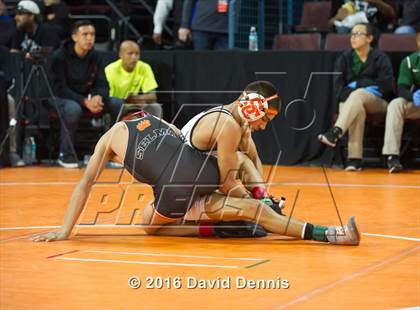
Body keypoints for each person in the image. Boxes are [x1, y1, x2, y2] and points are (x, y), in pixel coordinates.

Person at [31, 113, 360, 246]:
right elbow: (184, 141)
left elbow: (84, 186)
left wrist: (65, 231)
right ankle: (328, 232)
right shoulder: (154, 117)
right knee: (244, 176)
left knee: (148, 223)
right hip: (200, 169)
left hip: (173, 191)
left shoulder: (107, 141)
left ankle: (223, 222)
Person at [181, 80, 280, 199]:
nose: (263, 127)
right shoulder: (227, 125)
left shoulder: (239, 123)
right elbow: (226, 184)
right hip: (184, 193)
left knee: (244, 160)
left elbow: (254, 159)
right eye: (264, 119)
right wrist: (256, 204)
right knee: (255, 210)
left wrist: (263, 194)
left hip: (190, 176)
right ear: (252, 106)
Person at [318, 23, 394, 171]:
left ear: (370, 38)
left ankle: (336, 132)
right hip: (353, 101)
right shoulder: (345, 57)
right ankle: (354, 160)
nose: (353, 37)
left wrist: (357, 85)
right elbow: (338, 87)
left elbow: (385, 86)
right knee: (355, 104)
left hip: (378, 102)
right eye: (352, 34)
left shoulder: (380, 57)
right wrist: (364, 85)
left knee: (356, 95)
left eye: (358, 34)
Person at [50, 20, 122, 168]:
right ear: (75, 37)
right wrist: (84, 101)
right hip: (60, 98)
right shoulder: (59, 57)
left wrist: (98, 97)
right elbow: (59, 88)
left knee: (118, 104)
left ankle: (113, 152)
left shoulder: (96, 56)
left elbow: (103, 84)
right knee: (73, 109)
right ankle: (66, 154)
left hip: (87, 99)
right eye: (85, 34)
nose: (90, 38)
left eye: (92, 34)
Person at [382, 28, 420, 172]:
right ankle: (393, 157)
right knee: (395, 104)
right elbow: (402, 89)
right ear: (418, 42)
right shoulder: (410, 61)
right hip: (418, 104)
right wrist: (413, 97)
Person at [105, 40, 162, 118]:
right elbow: (107, 97)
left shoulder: (144, 67)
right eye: (130, 53)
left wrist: (137, 99)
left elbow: (153, 96)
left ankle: (154, 130)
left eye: (137, 54)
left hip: (134, 103)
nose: (134, 57)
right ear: (120, 54)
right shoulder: (110, 70)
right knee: (116, 105)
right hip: (117, 104)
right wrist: (125, 100)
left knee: (155, 107)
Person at [329, 0, 396, 33]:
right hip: (347, 30)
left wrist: (377, 3)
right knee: (342, 29)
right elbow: (329, 23)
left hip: (373, 29)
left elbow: (391, 14)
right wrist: (337, 17)